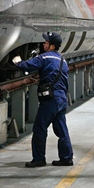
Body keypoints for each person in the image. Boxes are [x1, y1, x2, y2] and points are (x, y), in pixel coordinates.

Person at [12, 32, 74, 168]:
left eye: (46, 42)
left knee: (39, 128)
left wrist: (18, 62)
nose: (43, 44)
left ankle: (39, 159)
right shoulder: (63, 60)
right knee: (62, 130)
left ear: (52, 46)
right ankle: (67, 158)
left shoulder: (44, 57)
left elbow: (27, 66)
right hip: (61, 98)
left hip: (50, 100)